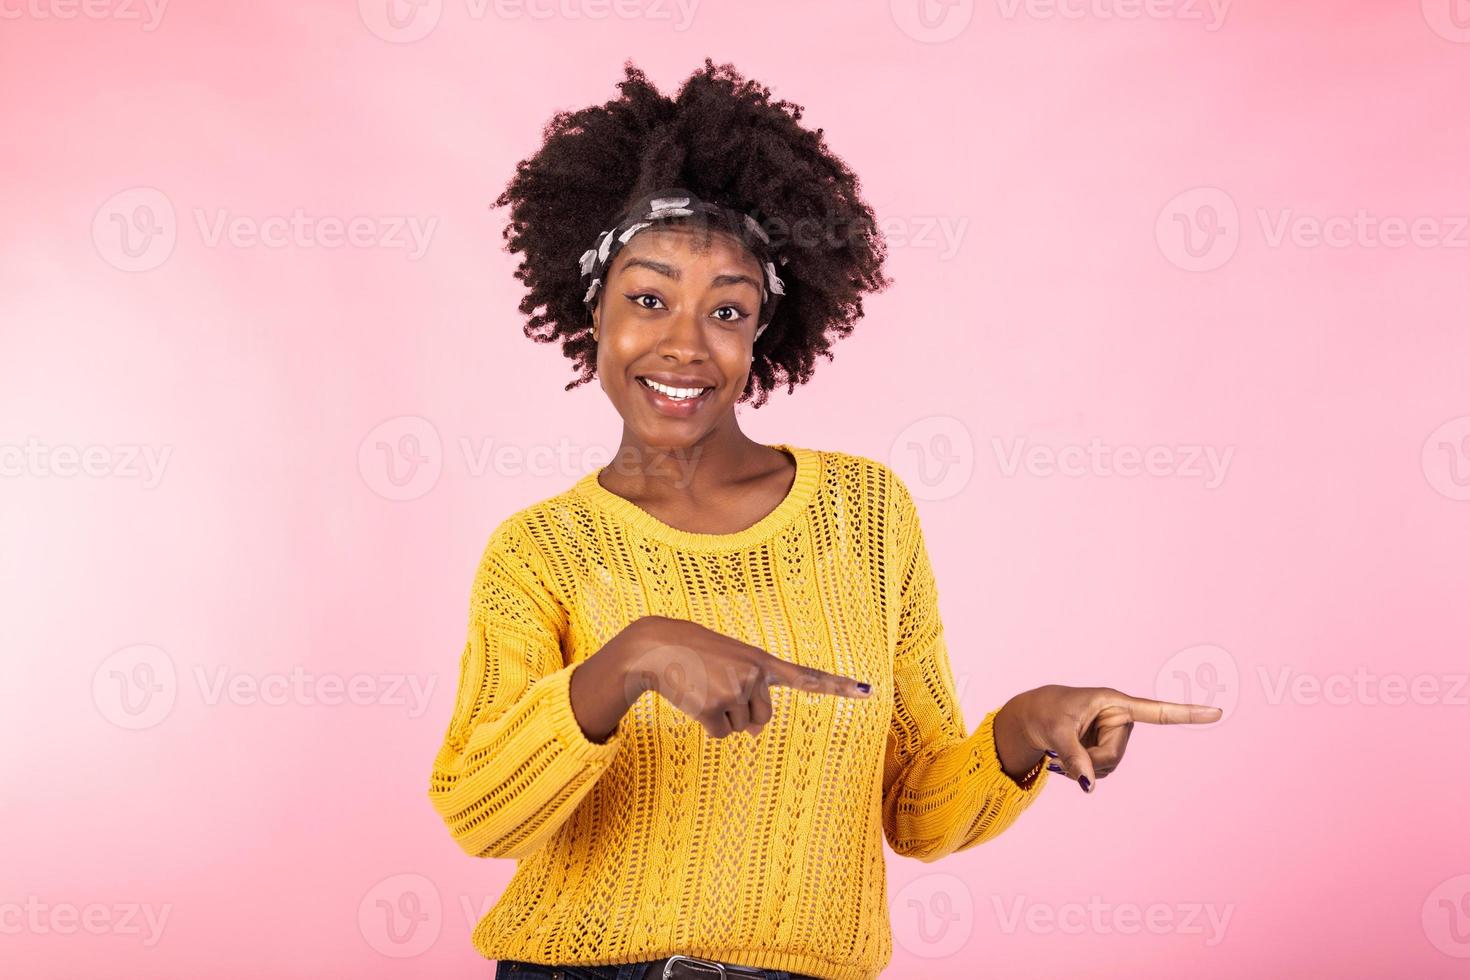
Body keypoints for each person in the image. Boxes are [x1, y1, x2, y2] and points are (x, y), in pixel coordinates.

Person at [426, 59, 1221, 980]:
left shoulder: (865, 515)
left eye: (728, 309)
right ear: (591, 309)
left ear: (762, 333)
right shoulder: (541, 552)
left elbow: (917, 811)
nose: (685, 342)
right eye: (648, 299)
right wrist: (630, 660)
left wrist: (1023, 730)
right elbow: (481, 813)